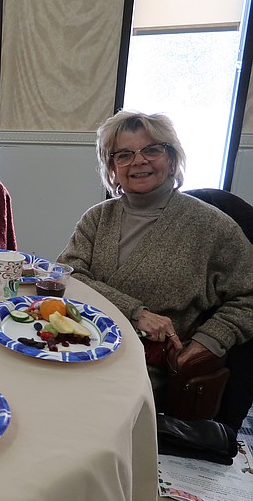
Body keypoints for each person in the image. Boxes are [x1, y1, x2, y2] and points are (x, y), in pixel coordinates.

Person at [58, 110, 253, 431]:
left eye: (152, 149)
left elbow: (248, 295)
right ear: (112, 168)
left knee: (81, 420)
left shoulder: (211, 226)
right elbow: (68, 276)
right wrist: (136, 312)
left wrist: (208, 342)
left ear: (173, 160)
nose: (139, 161)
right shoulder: (97, 218)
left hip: (150, 367)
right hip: (81, 345)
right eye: (124, 154)